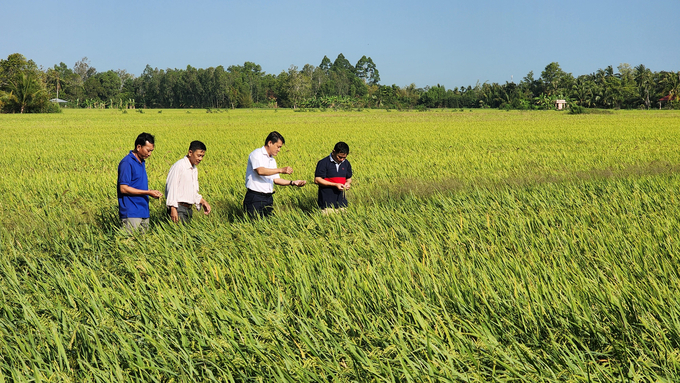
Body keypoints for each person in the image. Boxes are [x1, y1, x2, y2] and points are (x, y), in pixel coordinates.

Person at [244, 131, 306, 217]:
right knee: (254, 225)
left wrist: (293, 182)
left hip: (268, 198)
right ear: (270, 143)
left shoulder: (272, 160)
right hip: (255, 198)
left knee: (268, 225)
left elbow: (276, 180)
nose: (279, 150)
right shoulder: (256, 154)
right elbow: (260, 171)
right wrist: (281, 170)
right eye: (278, 147)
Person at [117, 132, 163, 233]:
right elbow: (123, 188)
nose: (150, 154)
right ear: (138, 147)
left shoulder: (141, 162)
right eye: (148, 150)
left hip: (143, 211)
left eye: (151, 151)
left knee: (143, 244)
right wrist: (148, 192)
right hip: (131, 212)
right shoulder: (127, 162)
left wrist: (150, 192)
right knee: (129, 244)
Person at [165, 140, 212, 224]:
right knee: (179, 235)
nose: (200, 159)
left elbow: (191, 191)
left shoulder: (194, 169)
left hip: (188, 210)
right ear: (190, 152)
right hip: (178, 209)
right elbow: (171, 187)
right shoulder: (179, 166)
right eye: (199, 155)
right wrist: (173, 208)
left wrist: (203, 201)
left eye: (202, 156)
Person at [314, 142, 353, 211]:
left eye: (344, 157)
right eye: (340, 157)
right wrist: (335, 184)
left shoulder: (346, 163)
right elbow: (317, 180)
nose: (342, 160)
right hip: (326, 204)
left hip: (342, 204)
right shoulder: (323, 163)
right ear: (334, 152)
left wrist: (348, 183)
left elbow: (348, 178)